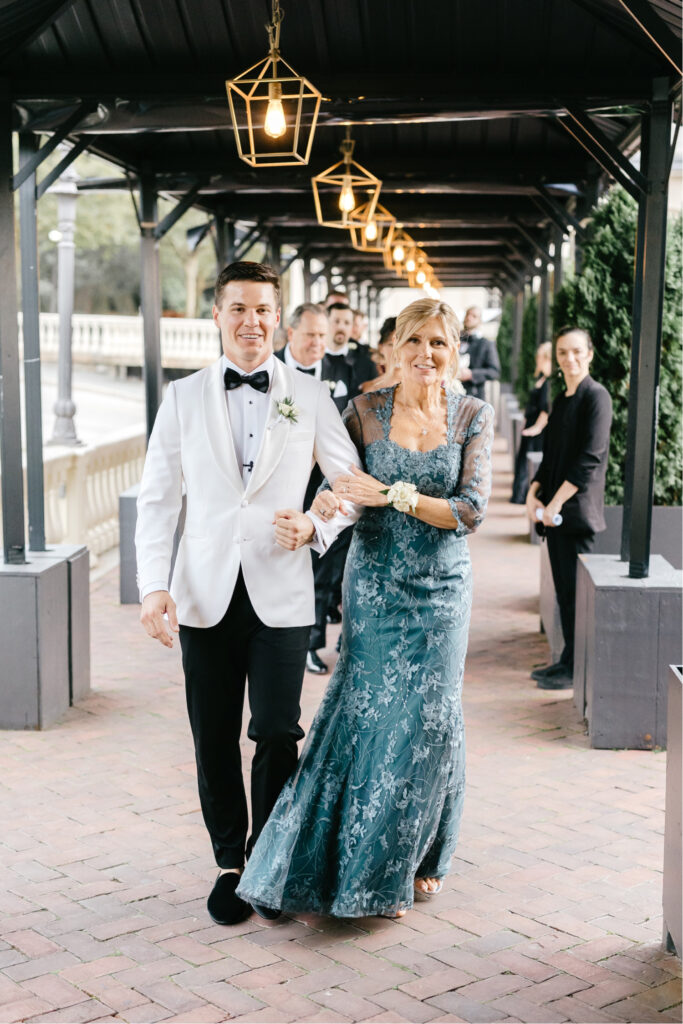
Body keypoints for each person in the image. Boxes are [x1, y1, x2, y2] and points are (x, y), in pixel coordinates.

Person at [236, 298, 494, 919]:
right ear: (394, 348)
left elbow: (470, 511)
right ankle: (353, 859)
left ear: (452, 350)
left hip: (442, 594)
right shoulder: (364, 412)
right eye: (415, 342)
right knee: (369, 716)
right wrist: (315, 516)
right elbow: (340, 487)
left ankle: (415, 856)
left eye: (438, 343)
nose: (426, 355)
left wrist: (394, 495)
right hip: (374, 588)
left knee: (430, 724)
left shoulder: (473, 417)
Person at [135, 262, 361, 927]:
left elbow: (350, 485)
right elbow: (156, 501)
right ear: (216, 315)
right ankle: (230, 863)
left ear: (279, 318)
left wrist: (316, 524)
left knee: (275, 731)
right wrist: (153, 588)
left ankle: (269, 858)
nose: (251, 322)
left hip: (282, 593)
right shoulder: (182, 397)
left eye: (263, 310)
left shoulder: (308, 396)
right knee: (212, 737)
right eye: (238, 309)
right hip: (202, 593)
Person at [526, 326, 612, 690]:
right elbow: (551, 457)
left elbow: (590, 459)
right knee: (563, 593)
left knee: (577, 597)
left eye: (577, 351)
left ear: (590, 353)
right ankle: (566, 661)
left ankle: (575, 668)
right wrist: (533, 493)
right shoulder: (562, 399)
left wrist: (556, 501)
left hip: (576, 516)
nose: (570, 358)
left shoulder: (597, 397)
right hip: (553, 513)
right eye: (563, 352)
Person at [511, 342, 552, 504]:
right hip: (530, 425)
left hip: (537, 431)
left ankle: (524, 496)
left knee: (529, 463)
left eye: (540, 357)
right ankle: (519, 495)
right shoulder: (542, 378)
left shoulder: (548, 381)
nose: (537, 360)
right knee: (522, 461)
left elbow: (545, 409)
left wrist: (536, 428)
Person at [457, 305, 501, 401]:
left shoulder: (486, 343)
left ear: (480, 321)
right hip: (452, 393)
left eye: (474, 316)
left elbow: (494, 371)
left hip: (474, 395)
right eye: (467, 314)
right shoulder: (455, 339)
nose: (469, 318)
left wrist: (471, 374)